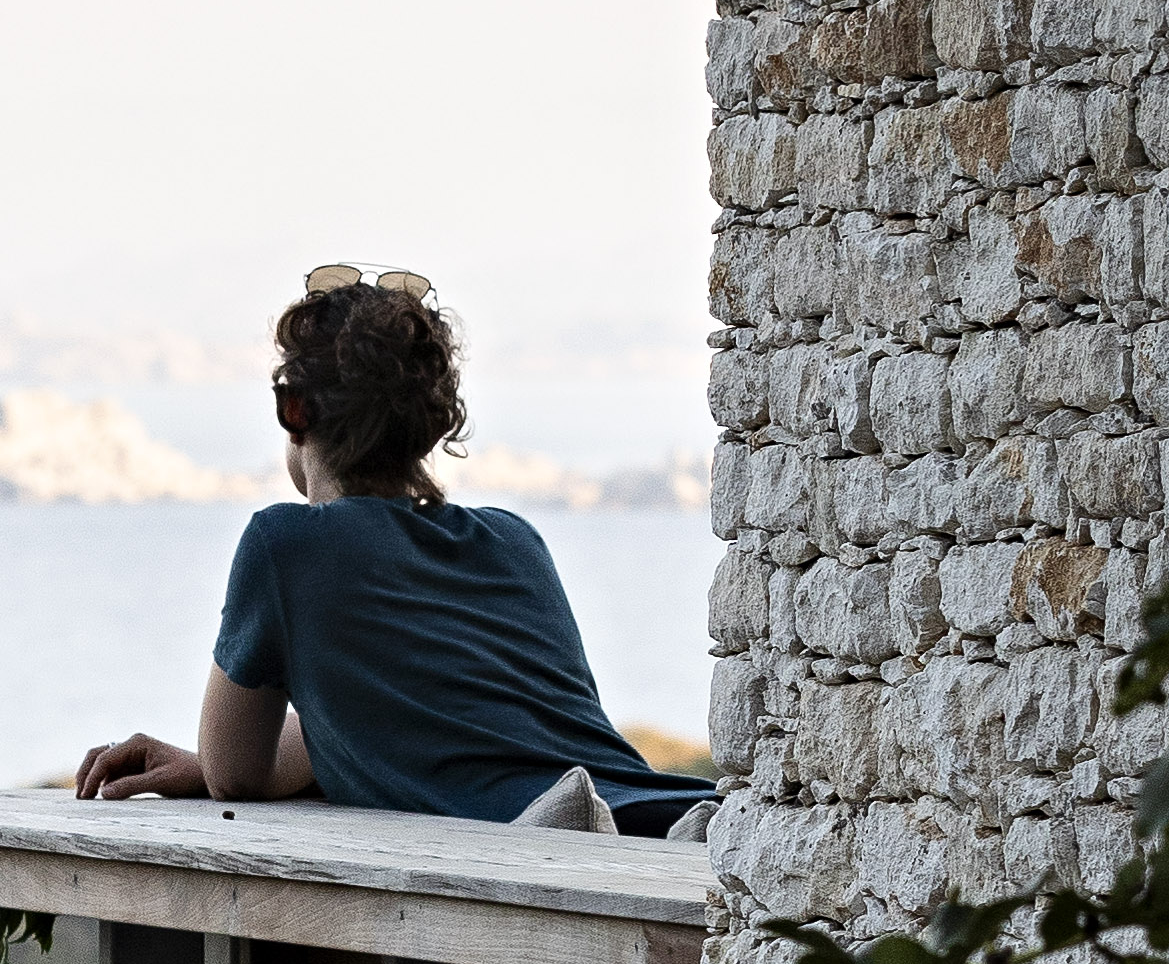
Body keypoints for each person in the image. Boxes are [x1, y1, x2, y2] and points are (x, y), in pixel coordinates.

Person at [74, 268, 709, 830]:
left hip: (538, 834)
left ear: (293, 410)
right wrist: (201, 765)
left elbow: (235, 773)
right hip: (666, 806)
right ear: (433, 424)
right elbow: (444, 727)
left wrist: (205, 764)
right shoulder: (515, 540)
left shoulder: (286, 543)